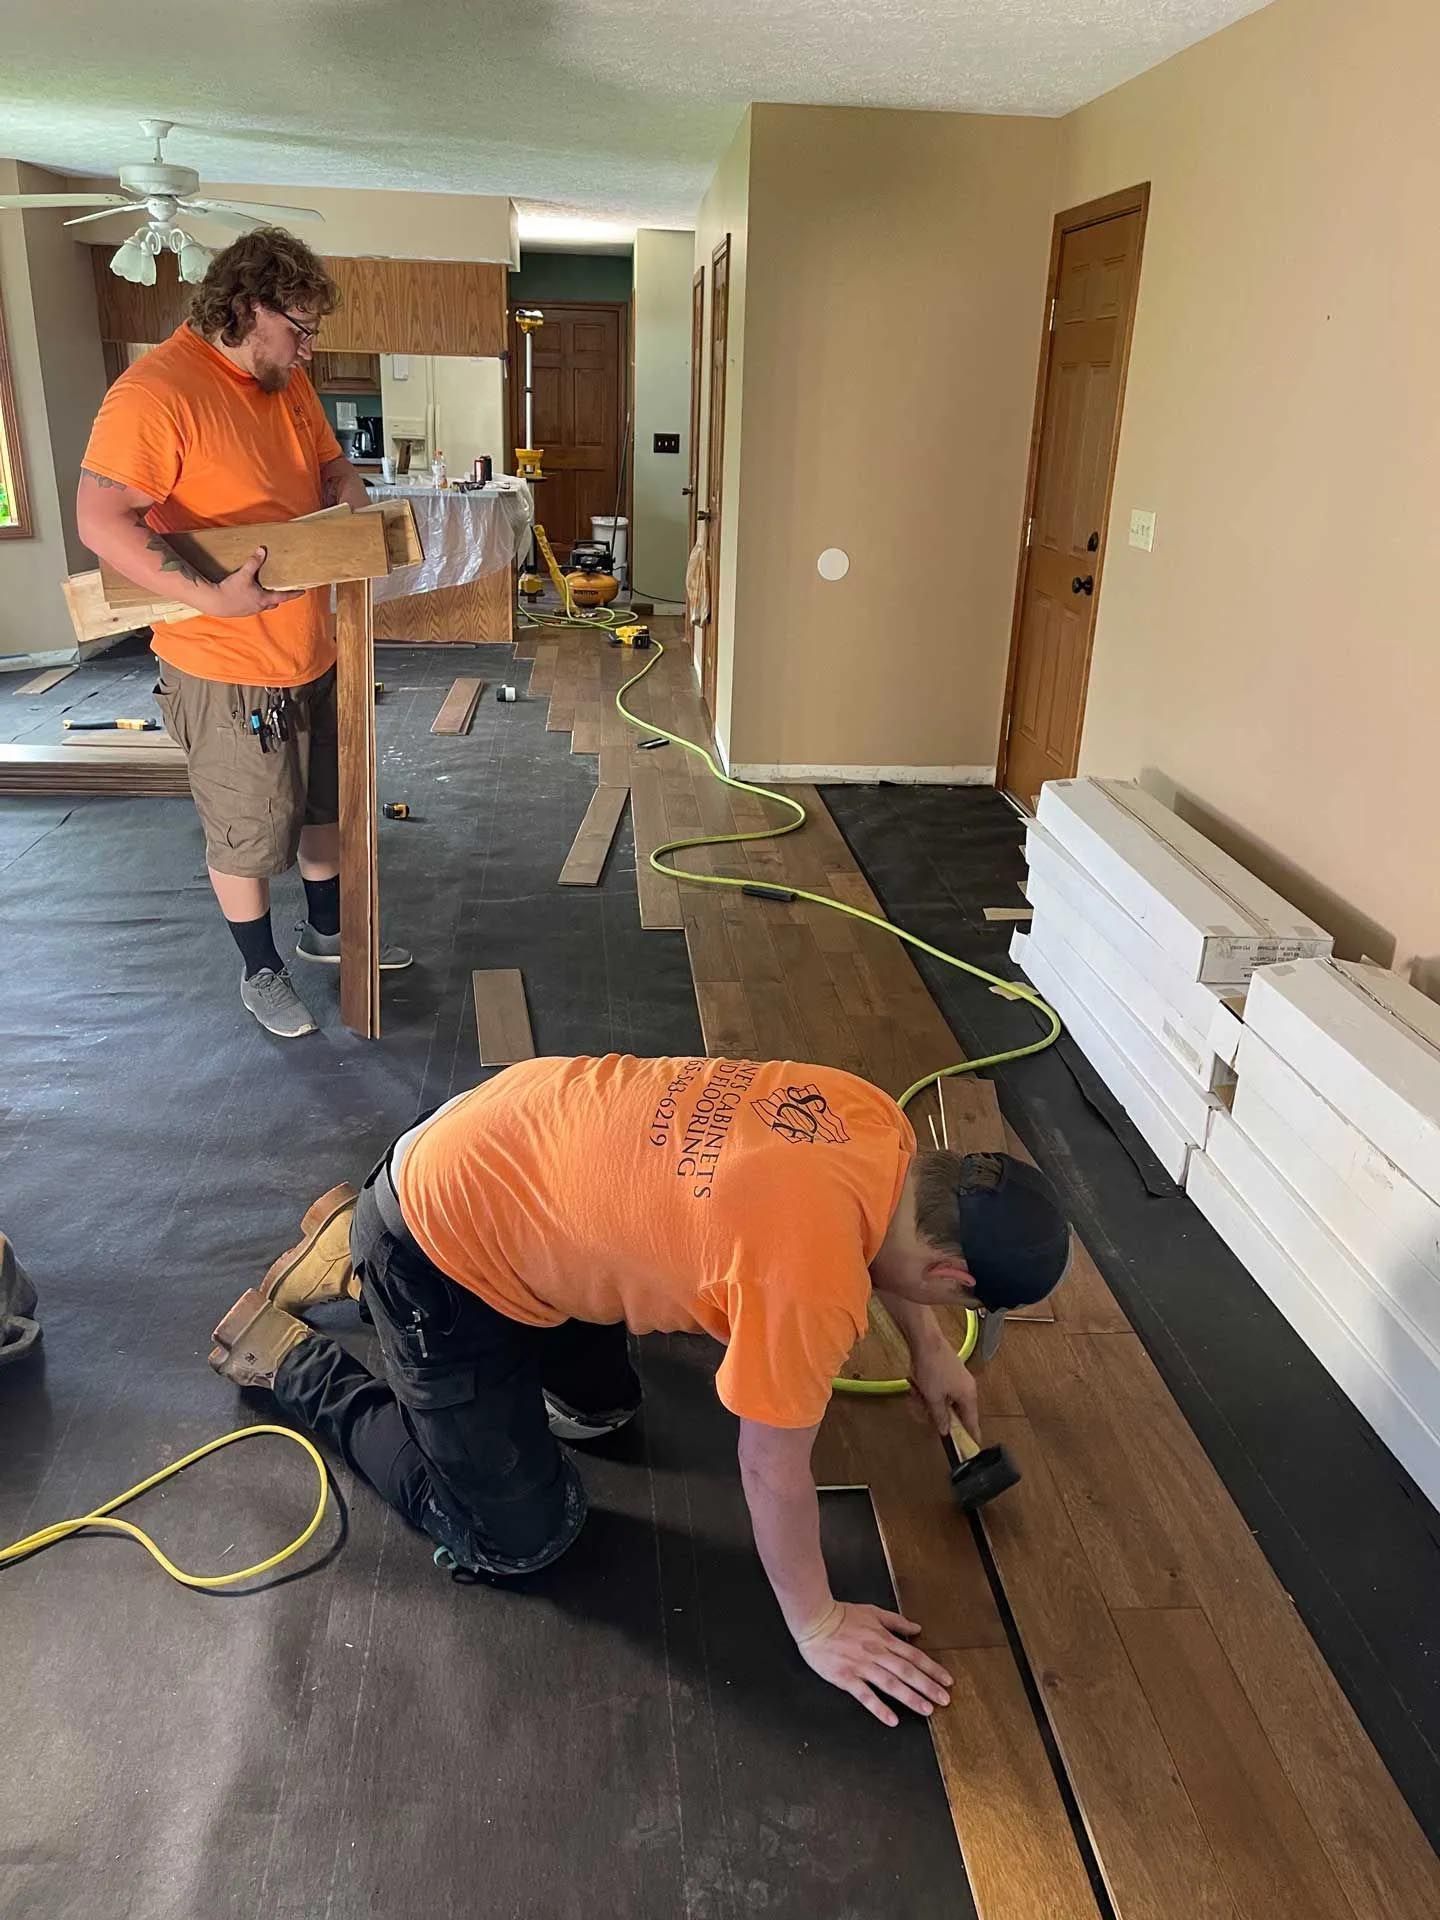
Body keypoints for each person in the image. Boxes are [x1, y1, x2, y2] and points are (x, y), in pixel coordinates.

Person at [209, 1055, 1070, 1726]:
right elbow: (770, 1470)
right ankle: (299, 1356)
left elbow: (885, 1248)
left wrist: (928, 1349)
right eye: (959, 1306)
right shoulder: (809, 1286)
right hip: (435, 1246)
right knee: (518, 1538)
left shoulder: (876, 1122)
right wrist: (818, 1624)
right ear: (953, 1274)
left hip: (508, 1146)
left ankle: (368, 1235)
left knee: (601, 1413)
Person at [75, 227, 411, 1039]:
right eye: (298, 329)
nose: (308, 350)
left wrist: (346, 485)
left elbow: (330, 462)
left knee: (328, 809)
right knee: (250, 828)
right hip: (223, 662)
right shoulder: (157, 393)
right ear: (247, 307)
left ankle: (327, 931)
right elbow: (101, 519)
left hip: (310, 647)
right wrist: (210, 598)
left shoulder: (282, 379)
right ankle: (260, 969)